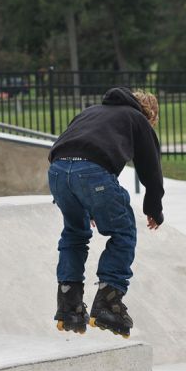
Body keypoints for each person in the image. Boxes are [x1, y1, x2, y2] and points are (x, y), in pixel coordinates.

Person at [47, 87, 164, 338]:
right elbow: (151, 169)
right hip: (92, 172)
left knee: (74, 233)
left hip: (57, 173)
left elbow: (69, 145)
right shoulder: (137, 119)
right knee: (123, 231)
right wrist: (154, 208)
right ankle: (108, 303)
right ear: (149, 115)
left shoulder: (90, 112)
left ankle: (69, 305)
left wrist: (84, 196)